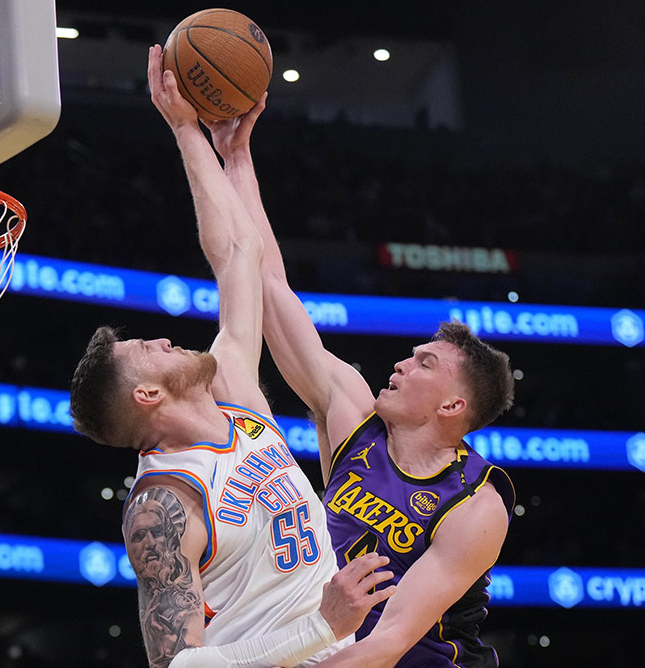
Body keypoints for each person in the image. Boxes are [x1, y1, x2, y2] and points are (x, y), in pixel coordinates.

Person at [69, 45, 396, 668]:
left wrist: (197, 136)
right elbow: (178, 665)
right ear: (147, 396)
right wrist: (322, 627)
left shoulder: (238, 402)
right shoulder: (162, 504)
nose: (164, 339)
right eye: (148, 350)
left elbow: (238, 254)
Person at [201, 91, 517, 667]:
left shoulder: (476, 504)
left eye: (425, 363)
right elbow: (271, 285)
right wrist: (236, 158)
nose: (401, 363)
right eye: (411, 353)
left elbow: (389, 643)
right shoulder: (352, 412)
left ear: (452, 406)